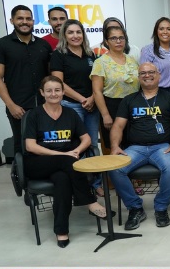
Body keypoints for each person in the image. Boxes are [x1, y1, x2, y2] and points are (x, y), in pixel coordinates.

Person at [22, 76, 107, 248]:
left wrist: (77, 150)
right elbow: (30, 146)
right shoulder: (34, 115)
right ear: (42, 93)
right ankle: (89, 201)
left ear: (62, 92)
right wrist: (60, 155)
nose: (53, 94)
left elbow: (86, 139)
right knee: (66, 162)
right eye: (49, 90)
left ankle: (61, 231)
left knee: (62, 180)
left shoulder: (70, 114)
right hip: (38, 163)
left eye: (57, 90)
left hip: (66, 165)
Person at [108, 62, 170, 230]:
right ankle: (135, 208)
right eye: (143, 73)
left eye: (151, 72)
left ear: (158, 76)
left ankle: (161, 208)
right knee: (114, 168)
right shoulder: (129, 100)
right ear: (138, 77)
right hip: (136, 148)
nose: (147, 75)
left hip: (163, 147)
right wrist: (114, 146)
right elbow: (118, 126)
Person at [0, 5, 52, 155]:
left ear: (33, 21)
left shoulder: (44, 45)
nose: (25, 22)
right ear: (12, 20)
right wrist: (11, 105)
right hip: (19, 107)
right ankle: (22, 178)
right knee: (23, 145)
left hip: (45, 105)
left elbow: (50, 76)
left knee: (48, 143)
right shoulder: (0, 45)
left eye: (28, 18)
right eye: (20, 18)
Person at [50, 19, 102, 195]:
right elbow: (59, 84)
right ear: (64, 35)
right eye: (71, 32)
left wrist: (93, 98)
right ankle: (80, 183)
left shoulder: (90, 55)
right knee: (75, 145)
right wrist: (83, 100)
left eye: (78, 32)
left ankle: (96, 183)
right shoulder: (58, 55)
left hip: (92, 106)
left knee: (93, 144)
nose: (75, 36)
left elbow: (99, 80)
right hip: (71, 106)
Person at [91, 25, 140, 153]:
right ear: (106, 42)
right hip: (112, 107)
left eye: (121, 38)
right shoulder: (100, 62)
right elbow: (97, 91)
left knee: (134, 144)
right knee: (115, 147)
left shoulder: (132, 60)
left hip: (134, 106)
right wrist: (105, 115)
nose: (118, 41)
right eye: (113, 38)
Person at [140, 17, 170, 99]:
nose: (165, 32)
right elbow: (144, 76)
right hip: (157, 93)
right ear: (156, 32)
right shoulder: (147, 50)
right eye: (161, 29)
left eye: (169, 29)